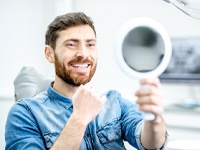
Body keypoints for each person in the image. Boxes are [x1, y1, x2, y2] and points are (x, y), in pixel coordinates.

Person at [5, 12, 168, 150]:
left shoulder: (114, 102)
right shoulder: (24, 113)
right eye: (71, 44)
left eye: (90, 44)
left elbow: (150, 144)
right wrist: (79, 119)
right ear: (49, 54)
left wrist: (154, 118)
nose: (83, 53)